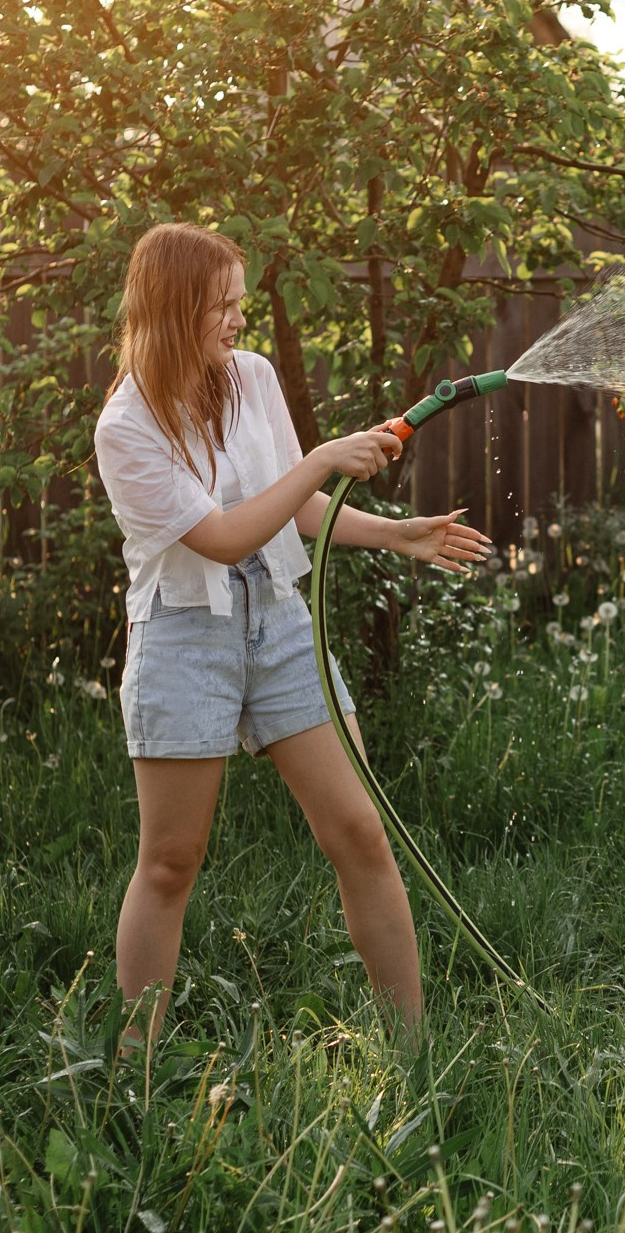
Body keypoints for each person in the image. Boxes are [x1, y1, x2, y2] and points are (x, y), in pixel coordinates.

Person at [93, 222, 491, 1041]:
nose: (238, 322)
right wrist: (320, 460)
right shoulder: (126, 427)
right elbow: (224, 535)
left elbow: (290, 511)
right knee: (171, 862)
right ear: (171, 312)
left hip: (278, 619)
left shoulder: (251, 379)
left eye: (240, 304)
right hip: (182, 635)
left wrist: (396, 533)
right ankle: (132, 1069)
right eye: (221, 308)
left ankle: (410, 1050)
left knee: (359, 830)